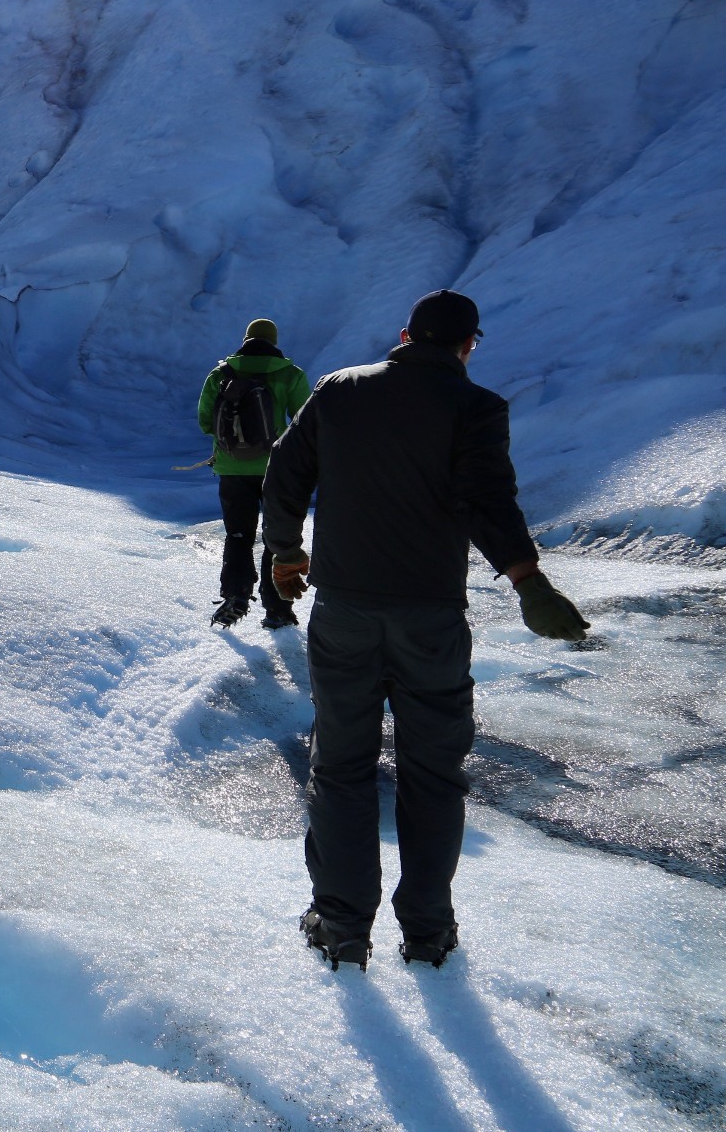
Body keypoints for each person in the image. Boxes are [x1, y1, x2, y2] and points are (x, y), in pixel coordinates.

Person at [262, 289, 589, 971]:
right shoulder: (476, 408)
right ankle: (428, 931)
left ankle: (342, 924)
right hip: (431, 621)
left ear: (406, 333)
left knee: (342, 767)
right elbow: (486, 499)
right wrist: (529, 582)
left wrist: (288, 550)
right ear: (469, 344)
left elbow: (285, 474)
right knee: (434, 777)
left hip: (345, 612)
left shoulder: (340, 389)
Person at [196, 318, 310, 629]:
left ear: (246, 339)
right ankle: (277, 609)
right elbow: (305, 420)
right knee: (277, 535)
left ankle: (236, 593)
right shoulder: (290, 373)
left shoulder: (221, 374)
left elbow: (205, 420)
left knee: (238, 535)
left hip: (232, 468)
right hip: (277, 467)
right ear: (274, 341)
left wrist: (232, 443)